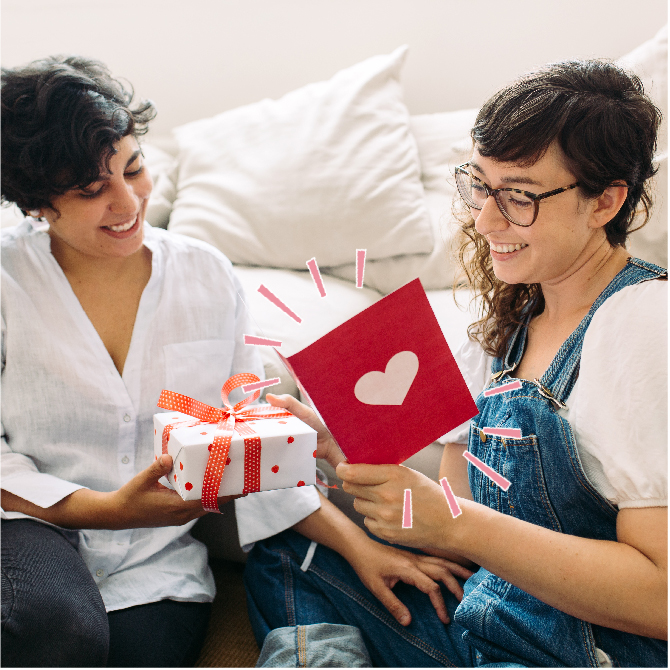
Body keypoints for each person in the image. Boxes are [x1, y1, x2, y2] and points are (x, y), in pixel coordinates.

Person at [1, 56, 472, 667]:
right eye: (92, 190)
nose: (127, 201)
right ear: (37, 203)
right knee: (59, 637)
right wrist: (104, 511)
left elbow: (253, 445)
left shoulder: (206, 275)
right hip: (29, 528)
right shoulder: (9, 280)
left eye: (134, 168)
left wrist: (361, 548)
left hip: (157, 566)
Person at [245, 59, 668, 667]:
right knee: (290, 554)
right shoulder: (512, 318)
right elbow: (455, 509)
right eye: (479, 185)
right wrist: (343, 451)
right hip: (490, 617)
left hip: (581, 649)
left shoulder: (643, 324)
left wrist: (454, 525)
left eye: (519, 196)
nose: (485, 219)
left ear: (605, 201)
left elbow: (661, 598)